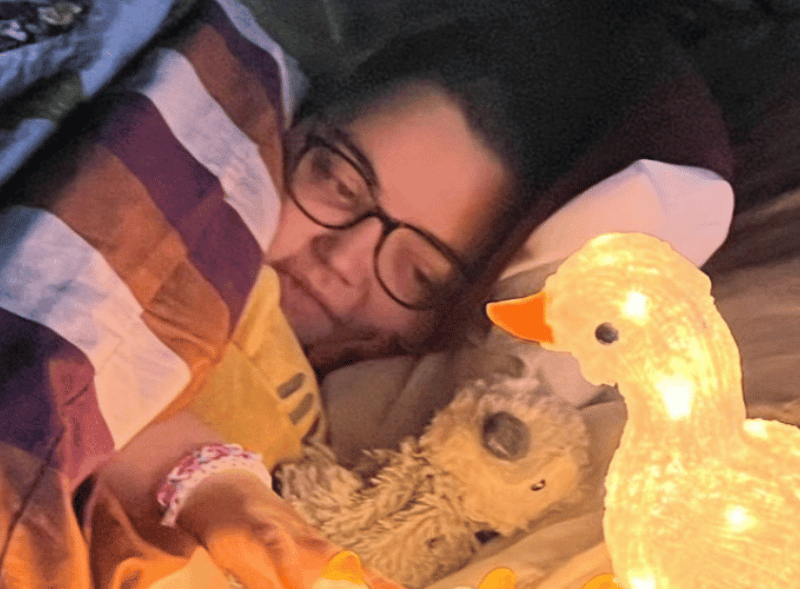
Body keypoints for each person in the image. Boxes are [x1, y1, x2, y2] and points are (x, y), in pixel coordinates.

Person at [2, 0, 794, 586]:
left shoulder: (339, 413)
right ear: (298, 127)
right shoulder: (203, 160)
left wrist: (215, 488)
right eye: (339, 182)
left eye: (416, 272)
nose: (342, 257)